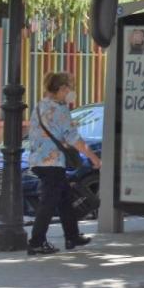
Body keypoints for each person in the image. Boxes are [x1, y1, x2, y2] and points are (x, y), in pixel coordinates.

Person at [27, 72, 101, 255]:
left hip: (39, 160)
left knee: (65, 198)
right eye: (69, 87)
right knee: (48, 202)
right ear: (61, 89)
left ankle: (72, 236)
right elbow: (73, 137)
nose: (71, 92)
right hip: (51, 162)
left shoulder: (39, 106)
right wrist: (94, 158)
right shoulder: (60, 110)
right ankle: (36, 242)